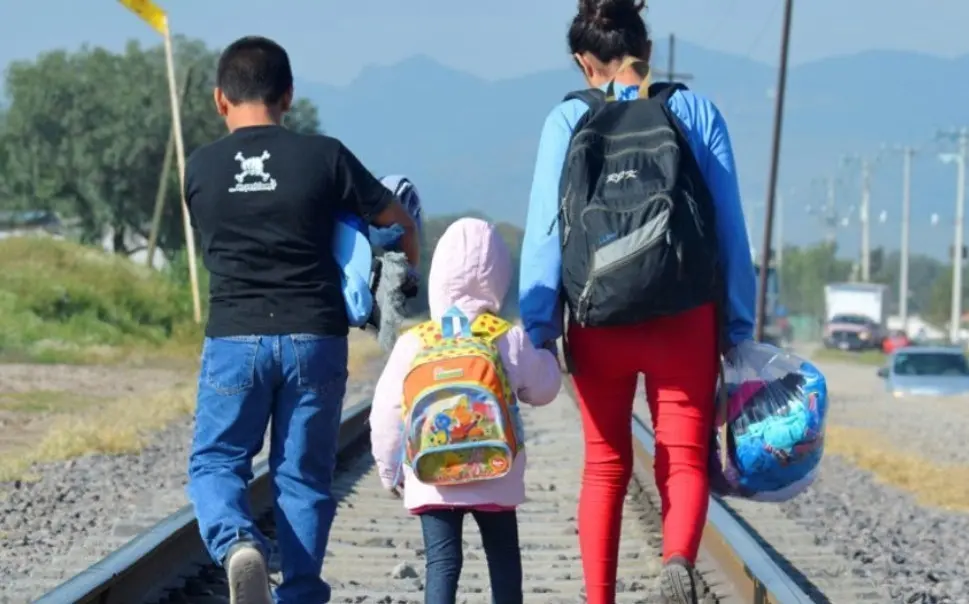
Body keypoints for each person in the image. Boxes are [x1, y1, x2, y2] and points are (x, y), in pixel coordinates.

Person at [518, 1, 756, 603]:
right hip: (685, 314)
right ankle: (677, 561)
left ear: (582, 61)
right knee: (682, 456)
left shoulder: (566, 119)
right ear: (645, 50)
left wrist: (540, 324)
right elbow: (729, 227)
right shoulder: (694, 110)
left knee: (604, 464)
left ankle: (599, 598)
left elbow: (547, 230)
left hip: (600, 320)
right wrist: (736, 322)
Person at [184, 36, 420, 604]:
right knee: (302, 476)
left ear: (220, 100)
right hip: (313, 336)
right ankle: (302, 593)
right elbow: (394, 217)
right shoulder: (325, 155)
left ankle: (238, 541)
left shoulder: (201, 167)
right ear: (288, 96)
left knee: (218, 460)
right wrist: (405, 263)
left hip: (234, 337)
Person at [370, 217, 562, 604]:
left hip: (432, 476)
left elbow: (385, 414)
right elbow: (543, 390)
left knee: (442, 563)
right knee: (503, 558)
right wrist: (547, 356)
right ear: (499, 277)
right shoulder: (506, 336)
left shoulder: (415, 342)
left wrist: (390, 471)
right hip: (496, 470)